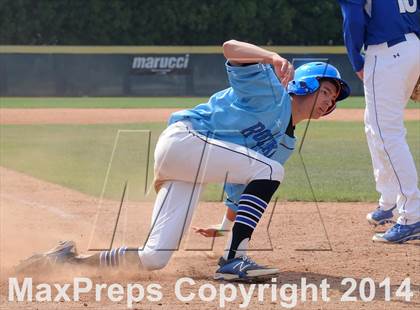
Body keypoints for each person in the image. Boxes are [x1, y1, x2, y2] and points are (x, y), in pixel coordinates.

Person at [17, 40, 350, 281]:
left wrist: (223, 227)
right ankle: (235, 258)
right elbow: (230, 48)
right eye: (326, 91)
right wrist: (271, 56)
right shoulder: (271, 92)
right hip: (184, 140)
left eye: (333, 99)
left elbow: (242, 187)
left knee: (154, 258)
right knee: (270, 170)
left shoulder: (286, 143)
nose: (328, 102)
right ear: (304, 84)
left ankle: (67, 261)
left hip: (190, 167)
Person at [337, 0, 420, 243]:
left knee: (388, 135)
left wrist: (355, 58)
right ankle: (389, 202)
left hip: (386, 52)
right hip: (411, 46)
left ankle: (412, 216)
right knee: (374, 126)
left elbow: (353, 18)